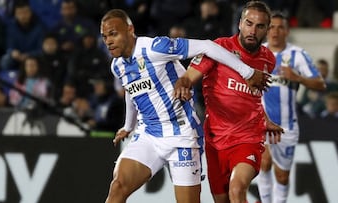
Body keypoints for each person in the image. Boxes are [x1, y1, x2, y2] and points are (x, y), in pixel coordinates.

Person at [101, 8, 270, 203]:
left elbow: (208, 46)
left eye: (114, 34)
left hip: (181, 135)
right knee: (118, 187)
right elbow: (132, 90)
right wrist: (128, 126)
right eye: (105, 36)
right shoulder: (117, 65)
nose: (109, 41)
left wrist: (247, 72)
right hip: (149, 133)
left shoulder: (156, 47)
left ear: (130, 29)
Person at [173, 1, 284, 203]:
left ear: (267, 30)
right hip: (215, 140)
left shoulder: (268, 59)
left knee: (237, 189)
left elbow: (253, 97)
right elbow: (188, 77)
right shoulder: (217, 48)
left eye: (260, 26)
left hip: (248, 138)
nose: (253, 30)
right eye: (249, 23)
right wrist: (183, 84)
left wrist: (264, 119)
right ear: (240, 23)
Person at [256, 11, 326, 203]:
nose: (275, 32)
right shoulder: (258, 53)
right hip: (262, 123)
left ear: (287, 31)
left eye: (280, 27)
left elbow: (320, 84)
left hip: (287, 126)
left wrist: (297, 78)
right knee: (263, 163)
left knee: (282, 176)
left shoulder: (297, 55)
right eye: (271, 27)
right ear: (266, 30)